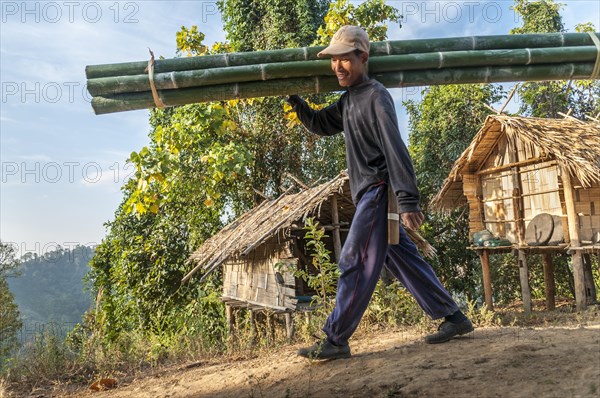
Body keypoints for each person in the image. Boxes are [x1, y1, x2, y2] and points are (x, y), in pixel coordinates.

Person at [286, 25, 473, 360]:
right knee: (401, 258)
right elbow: (319, 124)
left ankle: (336, 338)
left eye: (344, 59)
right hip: (367, 193)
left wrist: (407, 199)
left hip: (377, 189)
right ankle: (454, 317)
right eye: (333, 60)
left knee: (354, 259)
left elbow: (394, 147)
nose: (337, 66)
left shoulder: (376, 96)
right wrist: (295, 100)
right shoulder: (348, 102)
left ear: (363, 57)